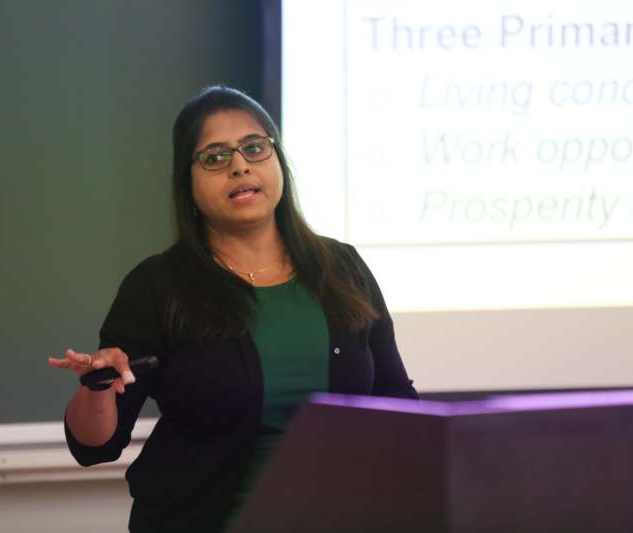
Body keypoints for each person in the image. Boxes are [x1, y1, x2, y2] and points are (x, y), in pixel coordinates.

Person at [47, 85, 418, 532]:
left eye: (254, 147)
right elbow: (94, 445)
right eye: (215, 156)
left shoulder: (341, 268)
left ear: (278, 160)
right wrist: (98, 386)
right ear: (187, 179)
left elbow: (398, 404)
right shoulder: (158, 286)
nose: (240, 164)